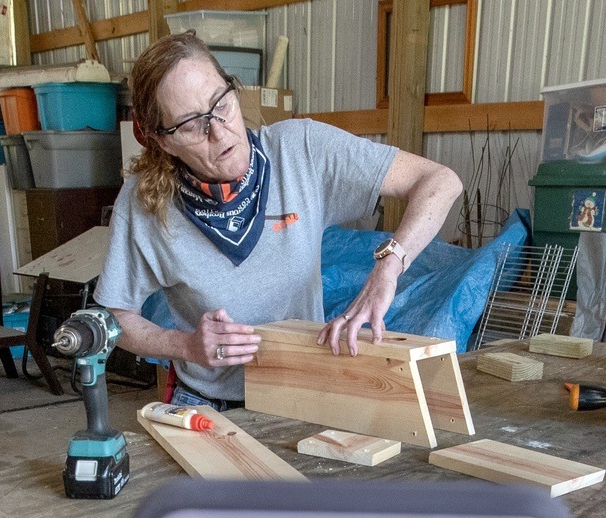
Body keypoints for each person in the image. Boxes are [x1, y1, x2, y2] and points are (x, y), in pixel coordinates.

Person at [96, 32, 464, 409]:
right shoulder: (144, 202)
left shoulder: (300, 151)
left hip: (302, 391)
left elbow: (440, 181)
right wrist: (185, 345)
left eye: (221, 103)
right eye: (192, 124)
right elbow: (116, 315)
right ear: (162, 140)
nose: (220, 132)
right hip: (208, 400)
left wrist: (390, 264)